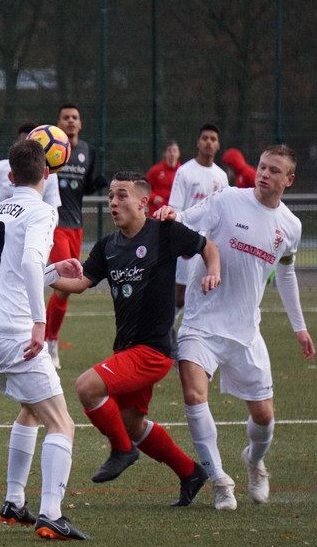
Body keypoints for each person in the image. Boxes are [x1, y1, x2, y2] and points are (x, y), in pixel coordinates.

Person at [153, 144, 316, 510]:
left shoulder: (290, 226)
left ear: (288, 180)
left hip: (245, 330)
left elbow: (286, 274)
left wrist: (299, 327)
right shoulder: (227, 199)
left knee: (264, 418)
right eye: (261, 167)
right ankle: (219, 480)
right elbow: (187, 217)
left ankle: (255, 462)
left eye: (274, 170)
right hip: (201, 321)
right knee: (194, 396)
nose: (264, 174)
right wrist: (170, 213)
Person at [51, 172, 221, 507]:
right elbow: (83, 282)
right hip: (127, 347)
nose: (114, 202)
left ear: (144, 201)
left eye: (122, 196)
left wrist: (213, 269)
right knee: (131, 422)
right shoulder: (107, 246)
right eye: (111, 196)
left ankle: (122, 450)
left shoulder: (165, 232)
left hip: (154, 350)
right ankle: (190, 472)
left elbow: (207, 246)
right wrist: (43, 275)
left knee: (87, 386)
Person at [0, 138, 91, 541]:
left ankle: (14, 500)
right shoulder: (41, 210)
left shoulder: (4, 206)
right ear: (48, 174)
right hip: (13, 333)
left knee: (32, 410)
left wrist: (56, 269)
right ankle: (51, 514)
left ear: (11, 175)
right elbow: (29, 264)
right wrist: (40, 325)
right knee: (63, 423)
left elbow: (20, 270)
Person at [45, 103, 106, 369]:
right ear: (58, 123)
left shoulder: (88, 151)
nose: (70, 121)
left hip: (76, 226)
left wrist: (98, 182)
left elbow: (88, 186)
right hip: (55, 224)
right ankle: (45, 340)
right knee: (62, 281)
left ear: (80, 124)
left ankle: (48, 338)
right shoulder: (48, 149)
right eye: (65, 117)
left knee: (65, 290)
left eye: (75, 118)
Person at [168, 124, 229, 311]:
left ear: (218, 145)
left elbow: (223, 213)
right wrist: (180, 240)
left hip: (209, 245)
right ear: (198, 143)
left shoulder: (221, 176)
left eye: (213, 139)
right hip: (187, 242)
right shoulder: (185, 172)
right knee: (179, 296)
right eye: (205, 138)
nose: (209, 142)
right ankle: (166, 336)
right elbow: (175, 209)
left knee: (207, 295)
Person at [0, 122, 61, 247]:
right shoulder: (0, 168)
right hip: (1, 236)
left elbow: (53, 209)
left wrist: (44, 230)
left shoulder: (51, 175)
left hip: (30, 235)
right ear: (12, 177)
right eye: (23, 142)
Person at [144, 140, 181, 217]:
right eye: (169, 150)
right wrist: (154, 197)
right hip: (157, 213)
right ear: (164, 153)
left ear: (178, 153)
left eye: (174, 150)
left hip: (176, 213)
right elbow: (144, 188)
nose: (172, 153)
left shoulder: (183, 172)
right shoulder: (155, 170)